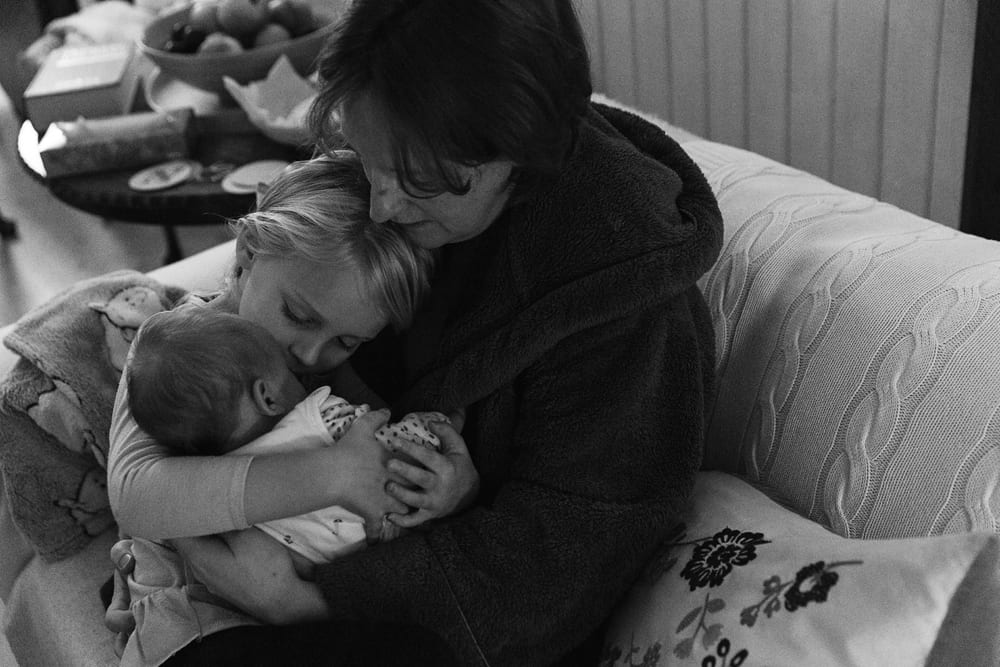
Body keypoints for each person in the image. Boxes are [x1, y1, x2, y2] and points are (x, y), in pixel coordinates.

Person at [107, 0, 724, 664]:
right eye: (367, 159)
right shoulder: (408, 154)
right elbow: (145, 476)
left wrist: (298, 601)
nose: (380, 205)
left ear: (522, 156)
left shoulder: (624, 299)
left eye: (418, 182)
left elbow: (559, 562)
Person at [117, 305, 448, 665]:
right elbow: (133, 497)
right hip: (209, 633)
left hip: (172, 633)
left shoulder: (196, 458)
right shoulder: (322, 420)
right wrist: (439, 425)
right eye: (296, 313)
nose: (309, 358)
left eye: (347, 342)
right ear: (268, 397)